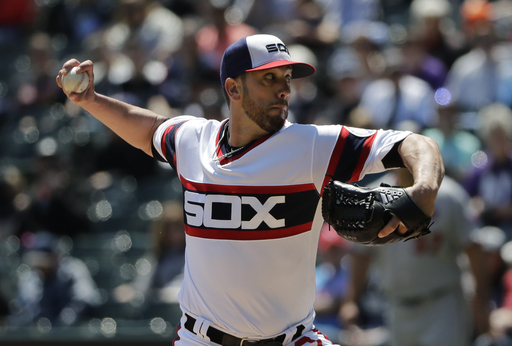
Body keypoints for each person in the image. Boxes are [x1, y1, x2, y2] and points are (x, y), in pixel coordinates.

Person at [56, 34, 444, 346]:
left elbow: (412, 143)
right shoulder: (194, 140)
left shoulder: (312, 145)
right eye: (269, 78)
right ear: (233, 88)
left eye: (287, 79)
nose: (283, 90)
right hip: (201, 339)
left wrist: (425, 186)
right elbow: (148, 130)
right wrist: (90, 100)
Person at [339, 169, 490, 346]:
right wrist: (351, 301)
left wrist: (481, 300)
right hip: (397, 307)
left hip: (442, 304)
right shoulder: (373, 197)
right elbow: (361, 254)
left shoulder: (448, 194)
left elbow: (473, 248)